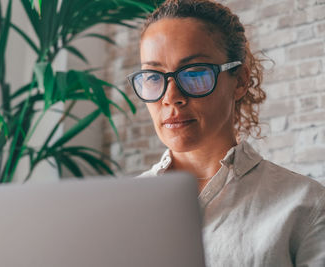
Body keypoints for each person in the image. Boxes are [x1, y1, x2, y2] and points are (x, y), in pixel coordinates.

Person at [126, 0, 325, 266]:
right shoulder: (123, 205)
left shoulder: (306, 205)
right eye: (152, 77)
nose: (171, 98)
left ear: (240, 80)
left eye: (195, 73)